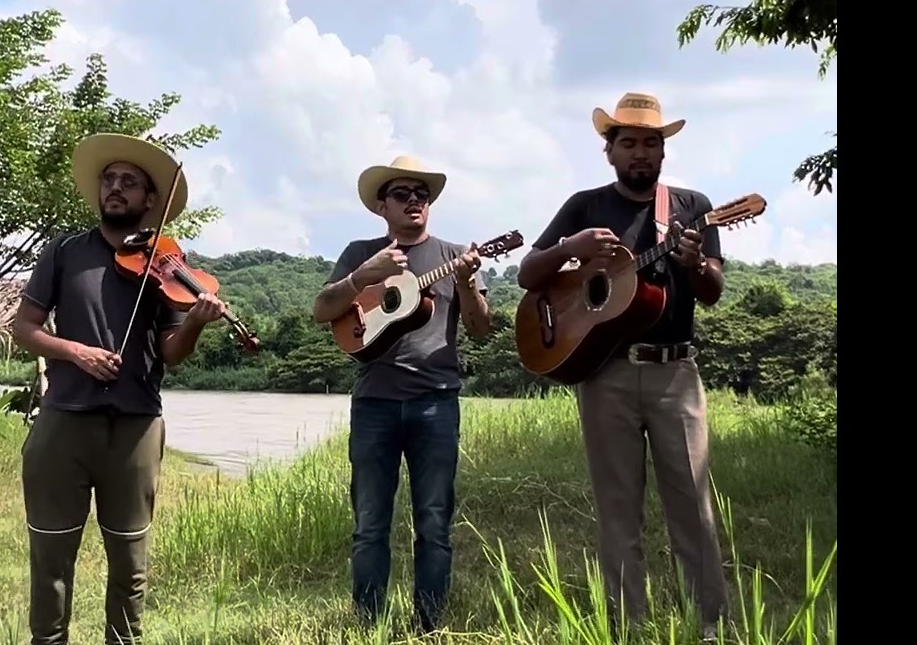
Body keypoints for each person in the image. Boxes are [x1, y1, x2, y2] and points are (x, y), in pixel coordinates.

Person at [516, 93, 729, 639]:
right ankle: (627, 627)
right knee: (618, 511)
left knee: (694, 507)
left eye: (651, 143)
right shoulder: (585, 206)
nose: (641, 153)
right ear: (609, 151)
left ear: (663, 151)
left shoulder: (691, 207)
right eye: (629, 142)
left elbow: (712, 291)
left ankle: (709, 625)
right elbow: (528, 274)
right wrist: (574, 243)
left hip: (675, 375)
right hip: (605, 374)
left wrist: (694, 262)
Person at [11, 132, 227, 645]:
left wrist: (195, 323)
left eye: (129, 182)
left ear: (150, 200)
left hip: (135, 424)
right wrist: (77, 352)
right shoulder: (64, 251)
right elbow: (26, 328)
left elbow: (171, 352)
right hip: (64, 417)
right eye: (109, 180)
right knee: (51, 561)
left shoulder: (167, 264)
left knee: (130, 564)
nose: (116, 188)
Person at [312, 155, 492, 632]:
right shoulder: (361, 251)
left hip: (436, 401)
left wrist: (469, 284)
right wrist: (362, 276)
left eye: (422, 195)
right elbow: (322, 310)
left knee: (434, 524)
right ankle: (368, 625)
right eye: (402, 194)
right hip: (374, 402)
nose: (414, 202)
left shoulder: (454, 255)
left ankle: (427, 626)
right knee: (370, 523)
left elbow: (480, 330)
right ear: (381, 205)